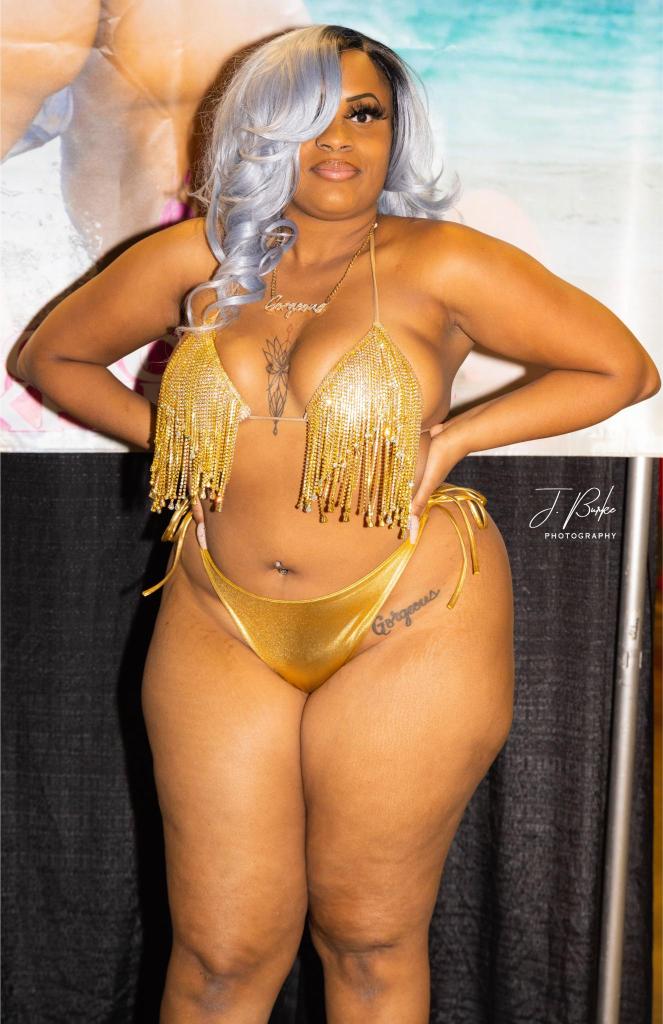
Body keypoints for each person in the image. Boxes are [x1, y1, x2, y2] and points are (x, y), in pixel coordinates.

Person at [16, 23, 660, 1024]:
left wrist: (456, 438)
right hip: (219, 618)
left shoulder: (441, 259)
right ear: (263, 131)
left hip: (409, 616)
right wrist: (173, 440)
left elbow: (622, 368)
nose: (339, 141)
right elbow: (49, 358)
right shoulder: (201, 254)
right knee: (218, 956)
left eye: (364, 114)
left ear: (397, 132)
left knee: (367, 938)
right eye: (310, 116)